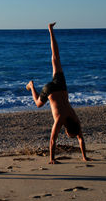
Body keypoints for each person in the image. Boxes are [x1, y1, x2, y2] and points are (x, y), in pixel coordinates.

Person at [26, 22, 90, 164]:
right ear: (67, 130)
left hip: (61, 87)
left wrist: (85, 157)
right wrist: (52, 159)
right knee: (38, 104)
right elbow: (52, 140)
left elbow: (80, 138)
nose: (68, 135)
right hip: (51, 89)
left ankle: (50, 30)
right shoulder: (60, 119)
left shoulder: (75, 118)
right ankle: (31, 85)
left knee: (55, 57)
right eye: (69, 134)